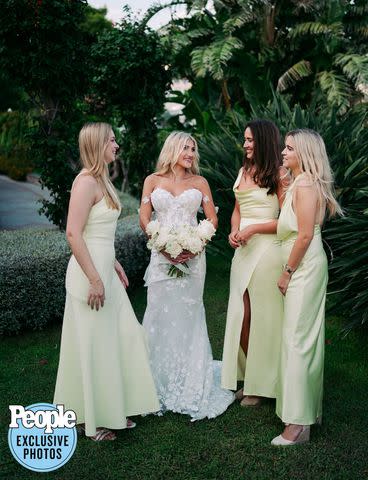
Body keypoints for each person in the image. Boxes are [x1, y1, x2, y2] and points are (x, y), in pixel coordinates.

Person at [54, 122, 159, 442]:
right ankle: (94, 421)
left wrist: (113, 265)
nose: (117, 144)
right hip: (89, 276)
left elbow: (96, 233)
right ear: (97, 145)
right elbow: (73, 233)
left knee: (124, 336)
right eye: (111, 140)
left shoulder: (103, 180)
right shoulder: (85, 182)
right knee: (95, 346)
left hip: (104, 270)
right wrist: (95, 279)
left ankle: (114, 406)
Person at [139, 131, 234, 421]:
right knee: (158, 313)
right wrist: (159, 241)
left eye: (193, 149)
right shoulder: (153, 181)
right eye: (186, 148)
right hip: (160, 256)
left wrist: (196, 244)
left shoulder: (200, 182)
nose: (191, 154)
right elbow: (144, 216)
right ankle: (151, 383)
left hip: (193, 259)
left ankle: (191, 380)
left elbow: (212, 218)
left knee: (190, 314)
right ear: (172, 150)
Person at [271, 129, 342, 446]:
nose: (283, 153)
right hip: (302, 265)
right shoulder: (299, 183)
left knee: (298, 341)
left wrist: (287, 271)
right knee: (296, 339)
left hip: (303, 269)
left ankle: (298, 425)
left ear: (305, 154)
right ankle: (300, 414)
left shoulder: (307, 185)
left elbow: (303, 236)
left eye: (289, 149)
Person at [221, 119, 287, 407]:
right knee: (242, 314)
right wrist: (234, 230)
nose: (245, 144)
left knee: (265, 317)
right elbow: (237, 209)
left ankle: (262, 386)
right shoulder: (243, 171)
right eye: (244, 139)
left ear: (263, 141)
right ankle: (252, 376)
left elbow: (287, 221)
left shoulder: (281, 175)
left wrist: (254, 229)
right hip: (243, 250)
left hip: (267, 250)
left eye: (250, 140)